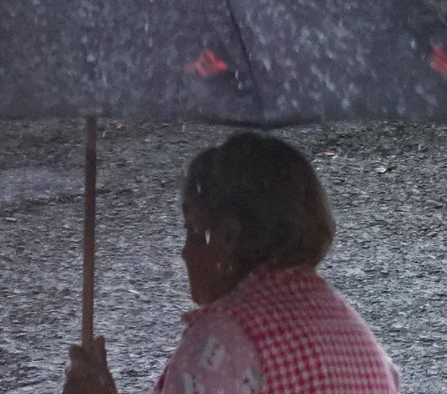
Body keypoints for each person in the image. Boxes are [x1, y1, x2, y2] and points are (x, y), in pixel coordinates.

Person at [63, 132, 400, 393]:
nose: (185, 253)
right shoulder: (347, 329)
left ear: (227, 237)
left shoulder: (225, 340)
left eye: (194, 232)